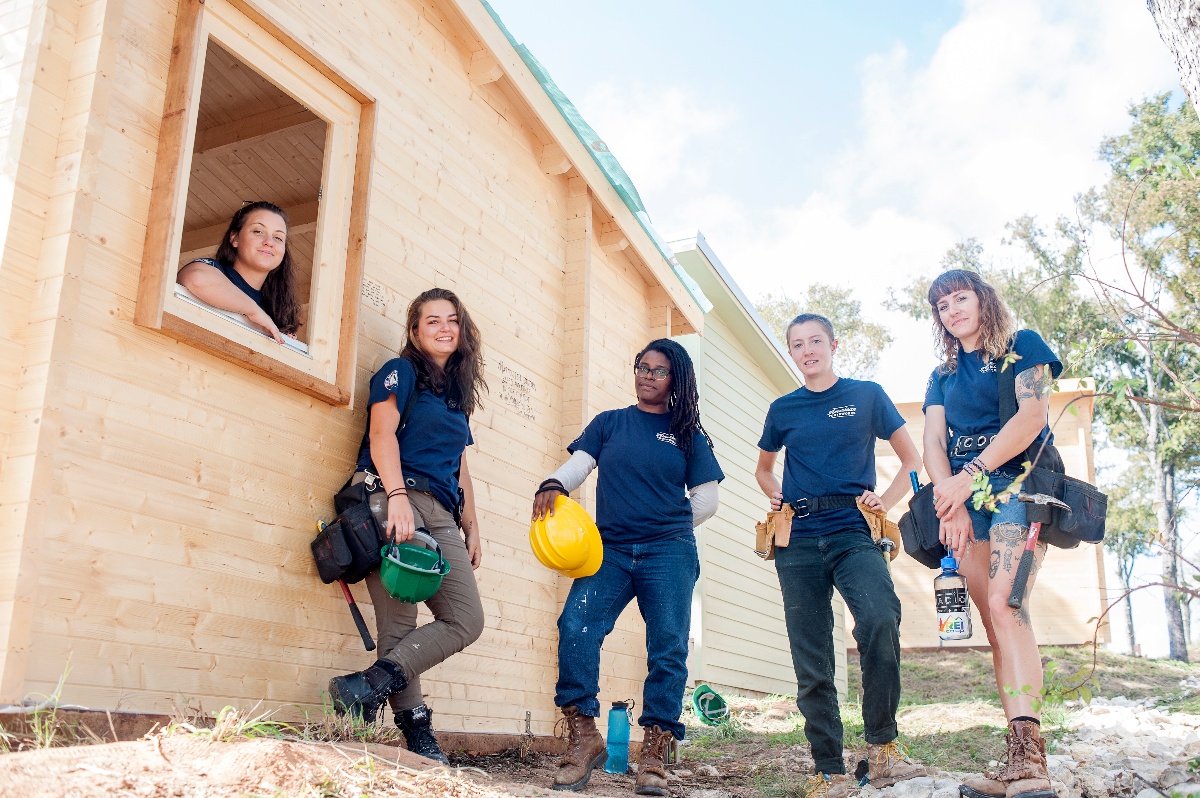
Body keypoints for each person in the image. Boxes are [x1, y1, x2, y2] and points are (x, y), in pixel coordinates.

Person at [532, 339, 723, 795]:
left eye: (659, 371)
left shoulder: (688, 434)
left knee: (668, 645)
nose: (648, 375)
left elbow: (707, 500)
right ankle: (584, 737)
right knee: (576, 624)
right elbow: (580, 464)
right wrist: (554, 483)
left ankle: (654, 752)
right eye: (642, 367)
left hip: (669, 551)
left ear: (676, 381)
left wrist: (666, 524)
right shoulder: (610, 423)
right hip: (610, 550)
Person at [755, 313, 926, 797]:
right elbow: (764, 470)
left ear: (833, 344)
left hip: (853, 530)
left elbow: (912, 460)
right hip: (799, 540)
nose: (807, 350)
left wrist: (885, 501)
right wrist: (776, 495)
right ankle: (827, 768)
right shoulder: (783, 409)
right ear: (791, 353)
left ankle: (883, 747)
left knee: (878, 617)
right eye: (797, 345)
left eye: (815, 341)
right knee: (811, 653)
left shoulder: (866, 395)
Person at [327, 287, 486, 766]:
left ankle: (365, 686)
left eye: (452, 320)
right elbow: (381, 435)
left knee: (466, 618)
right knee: (398, 623)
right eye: (431, 320)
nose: (443, 328)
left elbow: (459, 465)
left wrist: (472, 524)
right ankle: (417, 734)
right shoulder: (400, 372)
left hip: (441, 511)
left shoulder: (456, 395)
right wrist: (395, 497)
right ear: (415, 330)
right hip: (394, 496)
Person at [921, 271, 1062, 798]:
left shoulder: (1022, 347)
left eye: (961, 298)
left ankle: (1033, 763)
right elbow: (934, 441)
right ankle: (1017, 762)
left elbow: (1031, 418)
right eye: (942, 305)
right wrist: (948, 500)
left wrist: (970, 475)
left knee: (1007, 606)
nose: (952, 310)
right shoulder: (942, 374)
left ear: (983, 300)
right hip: (963, 499)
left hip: (1019, 487)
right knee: (993, 621)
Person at [176, 201, 301, 343]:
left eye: (278, 238)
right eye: (258, 231)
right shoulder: (216, 271)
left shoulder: (276, 311)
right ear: (235, 238)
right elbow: (196, 278)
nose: (269, 242)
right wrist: (254, 311)